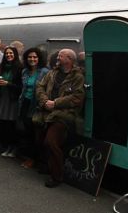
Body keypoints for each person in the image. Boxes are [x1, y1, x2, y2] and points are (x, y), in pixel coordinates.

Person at [35, 49, 85, 188]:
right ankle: (47, 166)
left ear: (69, 59)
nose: (57, 57)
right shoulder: (53, 72)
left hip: (64, 115)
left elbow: (77, 97)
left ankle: (57, 176)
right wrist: (45, 101)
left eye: (60, 56)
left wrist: (56, 103)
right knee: (40, 139)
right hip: (46, 111)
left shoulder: (77, 77)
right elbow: (40, 87)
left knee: (50, 142)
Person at [18, 47, 49, 169]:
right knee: (27, 132)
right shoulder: (25, 71)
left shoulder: (45, 72)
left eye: (35, 57)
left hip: (36, 105)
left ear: (39, 58)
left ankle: (35, 159)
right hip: (25, 103)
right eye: (30, 57)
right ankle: (30, 156)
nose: (32, 59)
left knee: (36, 134)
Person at [0, 46, 23, 158]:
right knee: (3, 123)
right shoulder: (3, 67)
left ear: (15, 54)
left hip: (12, 99)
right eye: (6, 54)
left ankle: (13, 147)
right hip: (3, 97)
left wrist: (7, 84)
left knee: (12, 124)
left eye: (11, 53)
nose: (8, 55)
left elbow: (20, 86)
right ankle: (6, 145)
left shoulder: (19, 68)